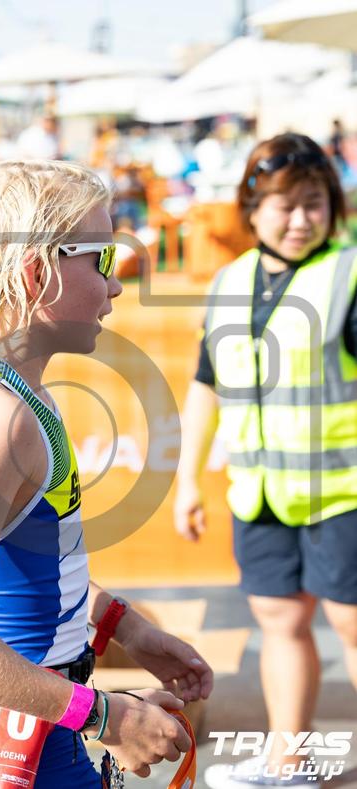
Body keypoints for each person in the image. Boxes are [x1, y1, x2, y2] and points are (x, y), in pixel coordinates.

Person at [0, 159, 213, 787]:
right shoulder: (0, 417)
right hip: (24, 736)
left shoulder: (7, 390)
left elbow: (30, 566)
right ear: (36, 272)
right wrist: (106, 717)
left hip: (36, 717)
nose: (116, 285)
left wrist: (125, 626)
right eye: (102, 260)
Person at [175, 132, 357, 789]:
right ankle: (289, 764)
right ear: (252, 210)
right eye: (286, 205)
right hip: (261, 494)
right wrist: (187, 480)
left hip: (345, 492)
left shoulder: (349, 275)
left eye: (315, 203)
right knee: (281, 622)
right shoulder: (230, 282)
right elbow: (206, 384)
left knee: (353, 625)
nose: (302, 218)